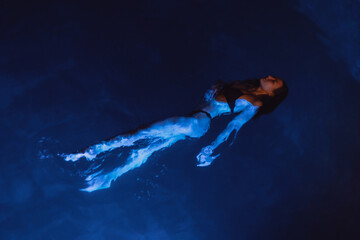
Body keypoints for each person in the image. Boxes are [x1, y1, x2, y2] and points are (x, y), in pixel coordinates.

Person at [63, 75, 288, 192]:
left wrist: (210, 150)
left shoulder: (256, 103)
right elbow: (216, 93)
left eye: (274, 81)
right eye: (272, 76)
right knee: (148, 149)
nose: (269, 77)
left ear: (273, 94)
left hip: (197, 122)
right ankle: (110, 178)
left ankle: (88, 152)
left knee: (140, 133)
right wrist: (216, 86)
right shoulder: (244, 85)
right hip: (196, 121)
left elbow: (232, 128)